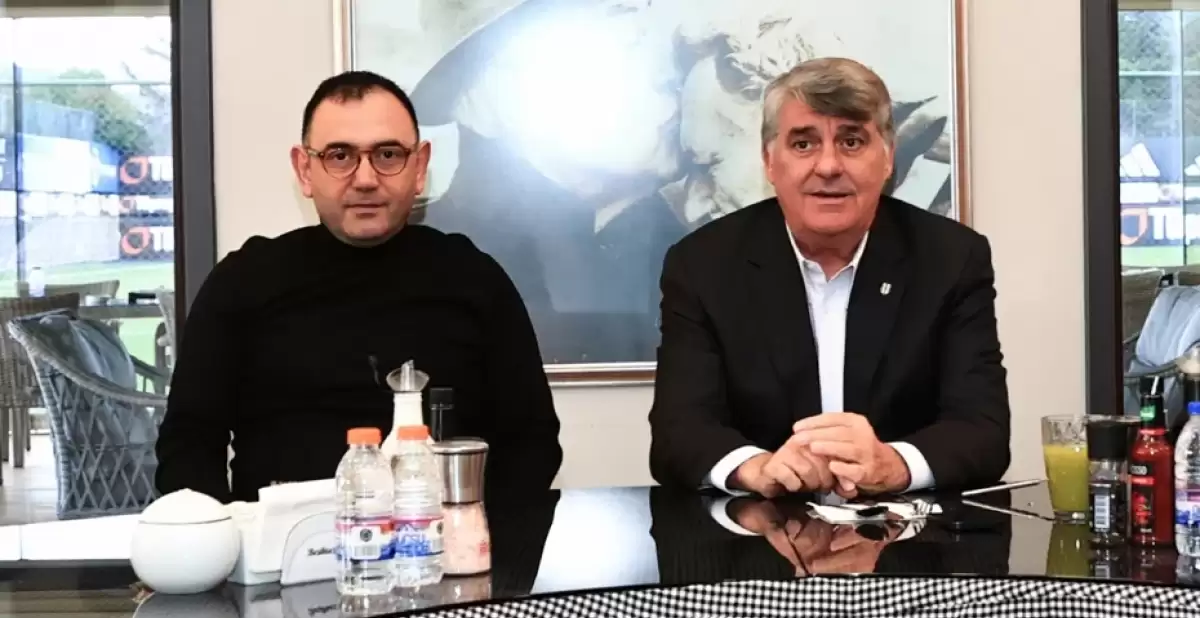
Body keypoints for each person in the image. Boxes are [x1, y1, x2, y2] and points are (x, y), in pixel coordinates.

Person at [155, 71, 563, 504]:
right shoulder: (242, 283)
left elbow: (532, 441)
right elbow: (187, 445)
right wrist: (225, 537)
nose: (365, 178)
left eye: (387, 154)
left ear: (420, 167)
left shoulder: (475, 280)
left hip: (444, 541)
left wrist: (479, 531)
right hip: (277, 542)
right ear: (305, 169)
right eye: (340, 155)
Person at [649, 57, 1010, 499]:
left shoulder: (951, 258)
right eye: (803, 144)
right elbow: (678, 433)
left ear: (887, 157)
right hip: (761, 534)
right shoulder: (703, 264)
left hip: (908, 534)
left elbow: (982, 431)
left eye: (851, 141)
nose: (828, 166)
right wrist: (756, 468)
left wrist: (894, 464)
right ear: (769, 161)